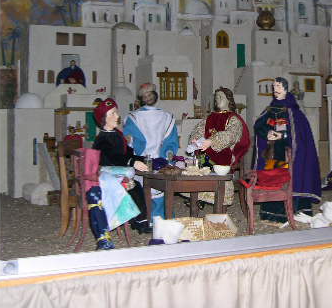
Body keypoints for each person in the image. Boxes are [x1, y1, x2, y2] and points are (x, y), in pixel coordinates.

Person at [254, 77, 321, 222]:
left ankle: (295, 209)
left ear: (285, 89)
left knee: (290, 177)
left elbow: (298, 135)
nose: (275, 90)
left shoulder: (294, 112)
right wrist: (267, 133)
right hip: (273, 153)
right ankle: (272, 212)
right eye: (273, 87)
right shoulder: (270, 109)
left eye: (278, 86)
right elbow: (259, 125)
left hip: (290, 155)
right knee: (273, 178)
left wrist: (283, 136)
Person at [89, 98, 151, 250]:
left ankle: (140, 220)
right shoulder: (102, 139)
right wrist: (132, 162)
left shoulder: (116, 134)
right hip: (107, 175)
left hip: (118, 171)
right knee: (134, 186)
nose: (117, 116)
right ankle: (138, 220)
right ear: (104, 119)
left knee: (137, 186)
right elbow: (113, 158)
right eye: (113, 113)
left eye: (116, 112)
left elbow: (126, 153)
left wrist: (142, 159)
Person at [123, 85, 179, 220]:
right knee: (160, 190)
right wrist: (166, 157)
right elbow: (171, 143)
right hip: (160, 161)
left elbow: (129, 143)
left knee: (141, 188)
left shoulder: (133, 117)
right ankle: (160, 216)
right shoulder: (167, 117)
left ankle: (144, 217)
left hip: (141, 161)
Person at [188, 87, 250, 206]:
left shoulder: (233, 118)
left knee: (218, 164)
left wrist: (212, 141)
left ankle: (218, 195)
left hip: (224, 152)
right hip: (206, 153)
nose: (217, 99)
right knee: (197, 163)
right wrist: (195, 140)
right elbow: (199, 129)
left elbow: (231, 134)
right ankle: (197, 193)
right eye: (216, 97)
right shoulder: (210, 117)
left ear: (229, 100)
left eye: (221, 97)